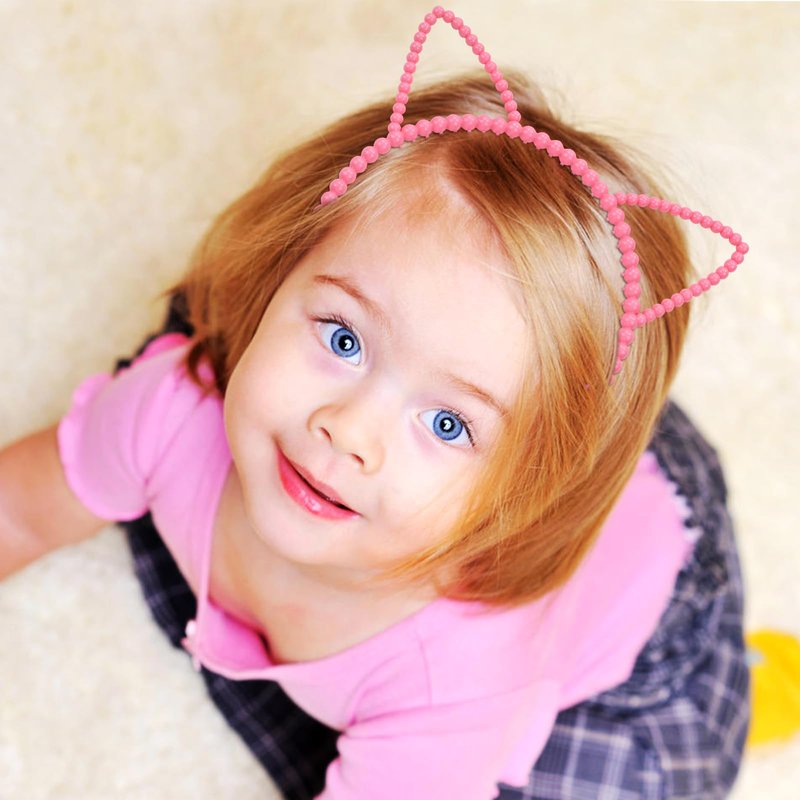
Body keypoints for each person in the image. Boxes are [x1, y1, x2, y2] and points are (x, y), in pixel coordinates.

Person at [0, 6, 750, 799]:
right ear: (280, 267)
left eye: (447, 424)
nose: (349, 431)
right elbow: (19, 512)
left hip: (645, 622)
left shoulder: (456, 680)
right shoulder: (168, 413)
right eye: (344, 338)